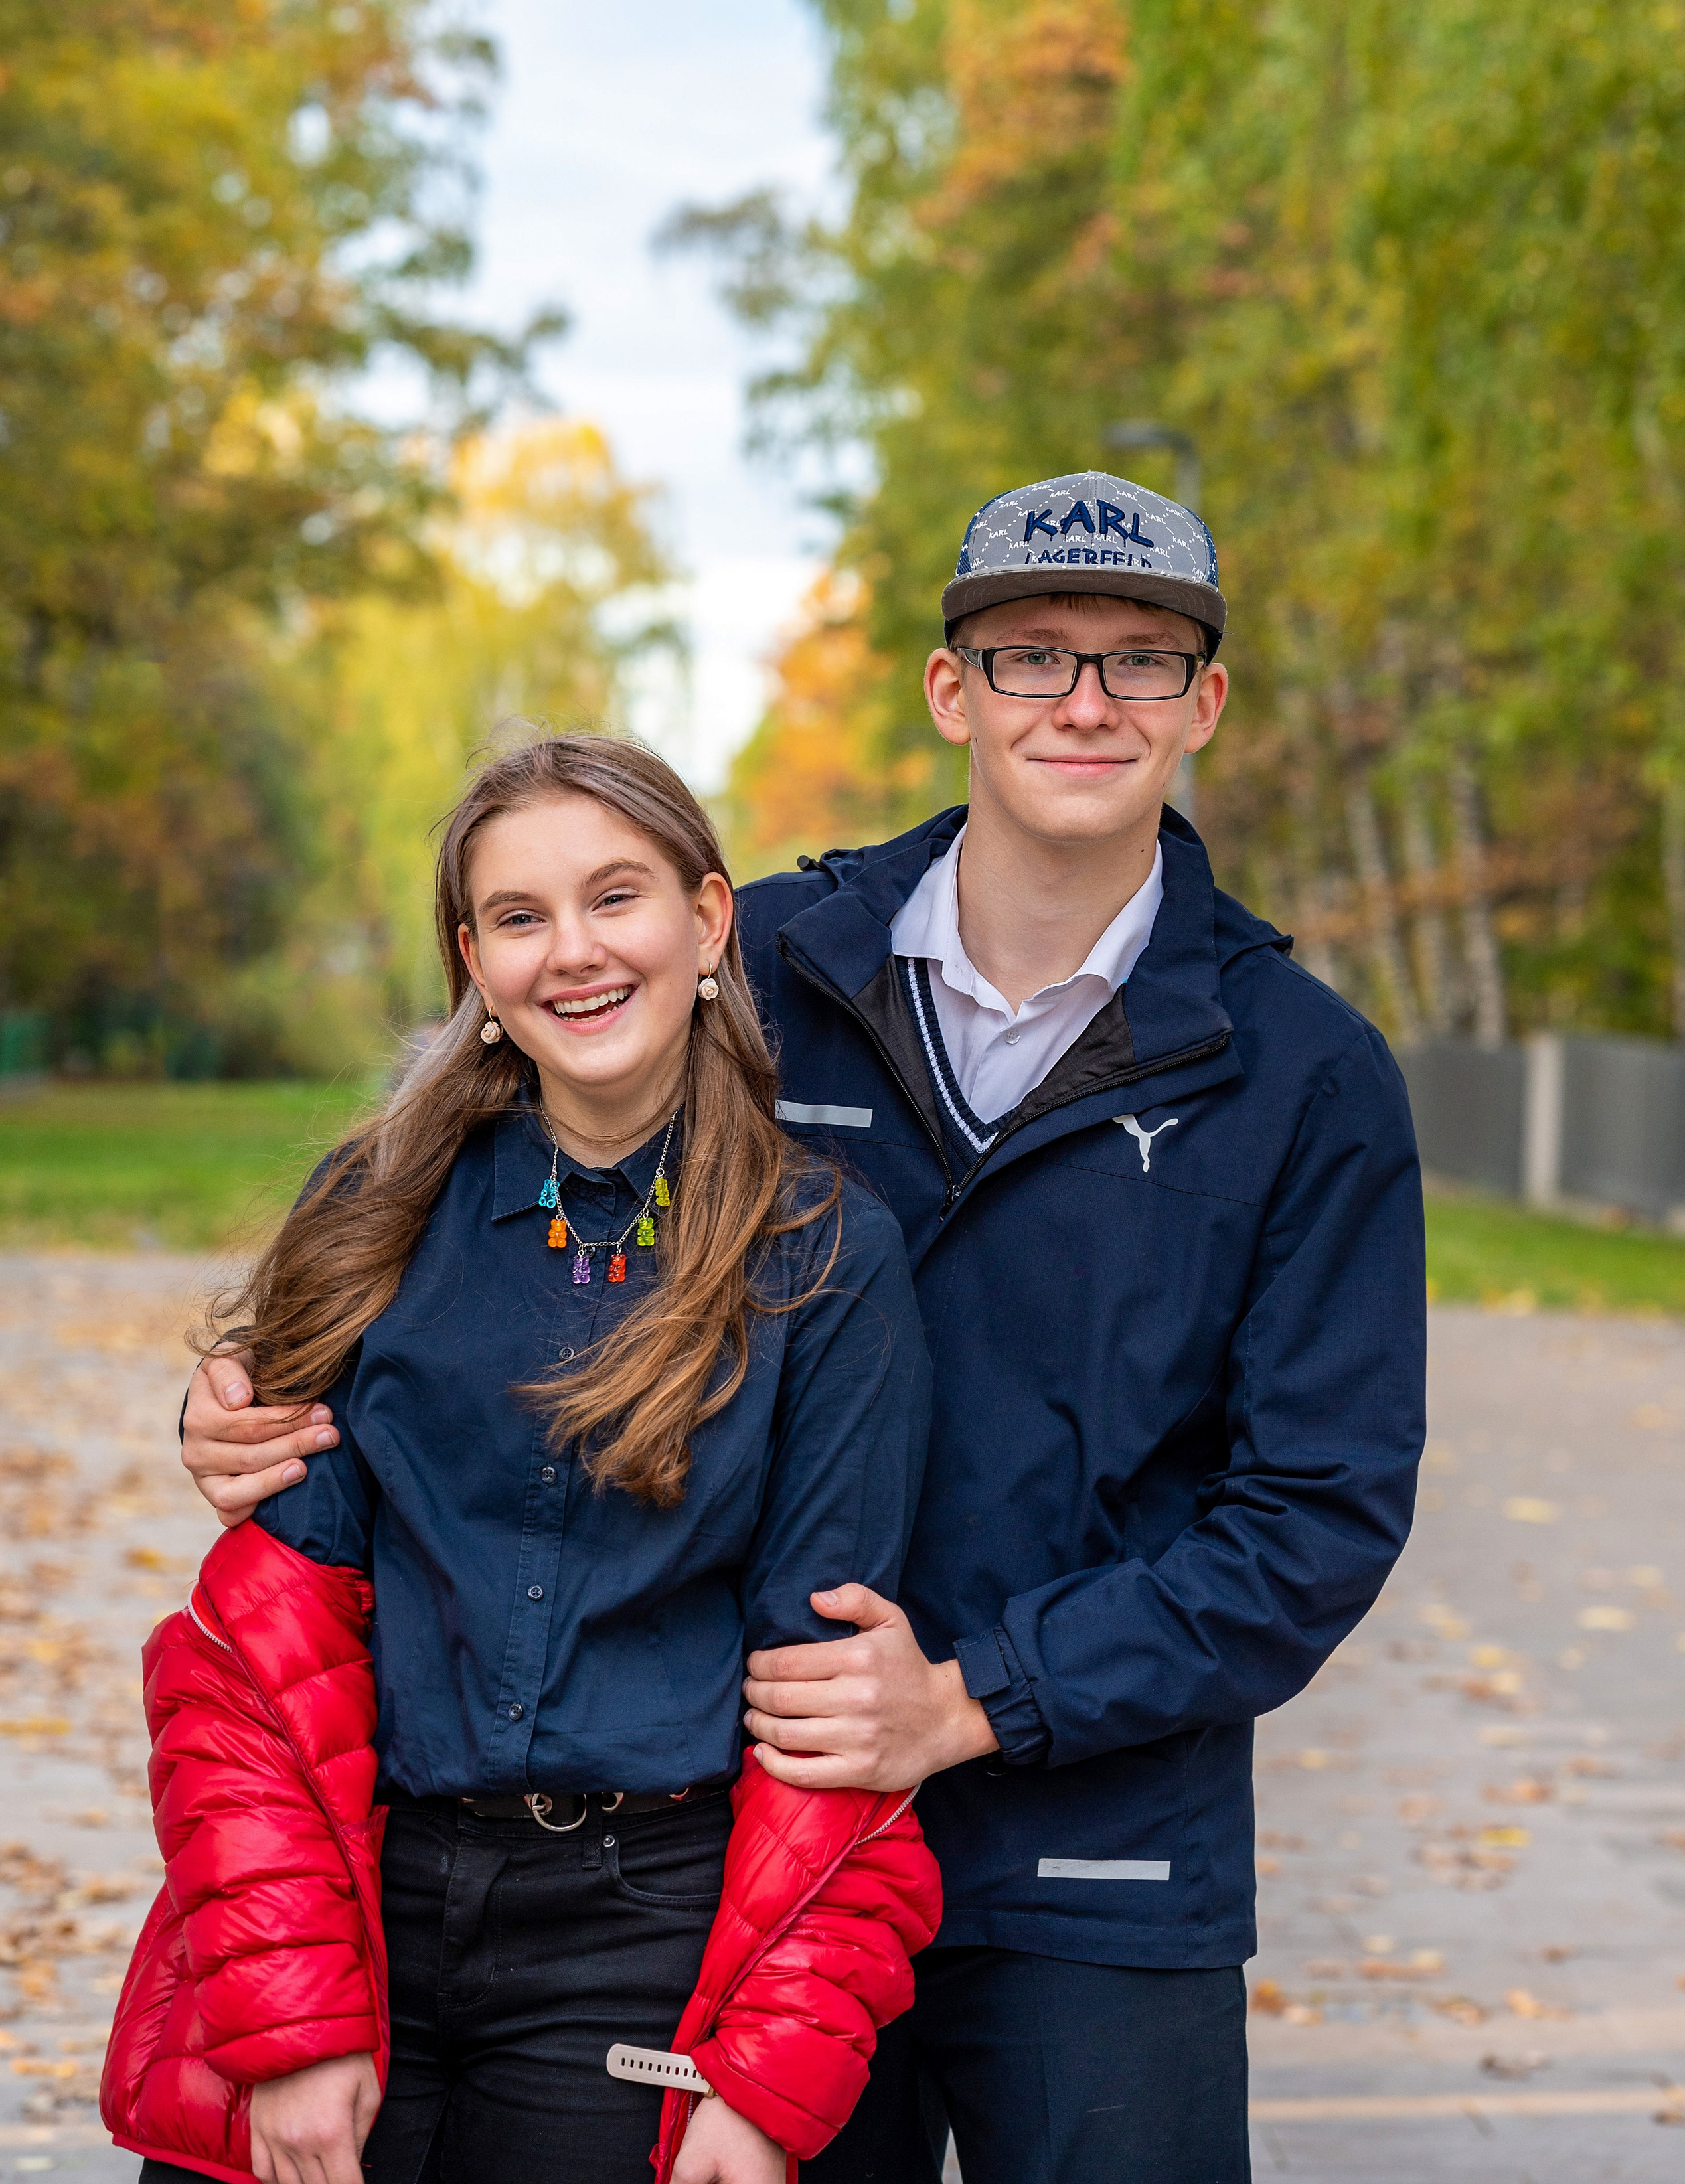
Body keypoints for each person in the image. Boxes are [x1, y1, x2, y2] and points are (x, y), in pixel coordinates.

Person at [176, 471, 1428, 2184]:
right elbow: (468, 1224)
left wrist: (975, 1699)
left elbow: (1314, 1517)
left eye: (1139, 660)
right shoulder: (752, 957)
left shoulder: (1304, 1072)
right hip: (732, 1871)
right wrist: (257, 1401)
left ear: (1201, 704)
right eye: (1031, 654)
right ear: (950, 690)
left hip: (1092, 1858)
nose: (1083, 700)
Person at [103, 738, 940, 2184]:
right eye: (518, 916)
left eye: (614, 897)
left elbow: (831, 1716)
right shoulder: (373, 1211)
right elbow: (260, 1659)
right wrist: (291, 2020)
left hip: (641, 1937)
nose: (573, 951)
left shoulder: (821, 1257)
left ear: (708, 922)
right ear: (474, 966)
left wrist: (762, 2076)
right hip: (357, 1890)